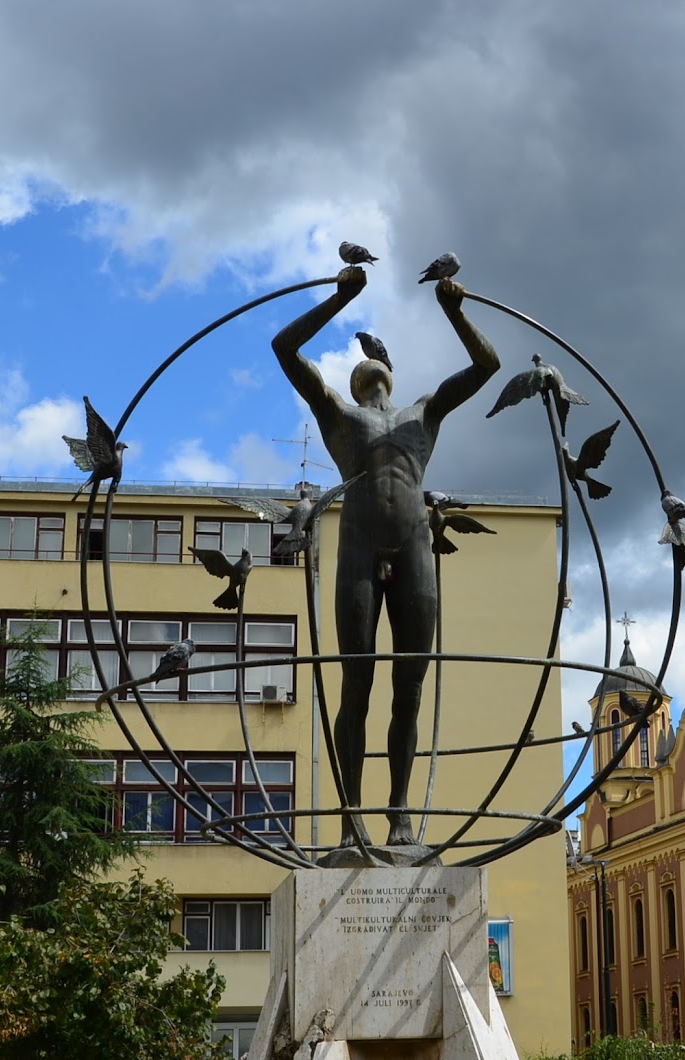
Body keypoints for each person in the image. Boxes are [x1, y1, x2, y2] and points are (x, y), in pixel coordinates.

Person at [272, 264, 500, 847]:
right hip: (357, 552)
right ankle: (351, 818)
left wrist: (454, 310)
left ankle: (399, 812)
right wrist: (338, 297)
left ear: (389, 376)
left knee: (410, 687)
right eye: (361, 366)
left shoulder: (423, 412)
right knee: (357, 683)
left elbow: (487, 365)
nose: (370, 367)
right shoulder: (338, 414)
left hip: (415, 549)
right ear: (355, 381)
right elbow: (284, 347)